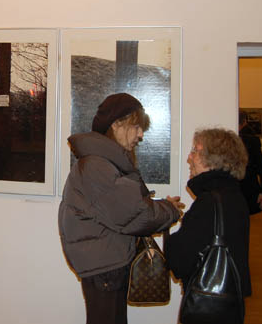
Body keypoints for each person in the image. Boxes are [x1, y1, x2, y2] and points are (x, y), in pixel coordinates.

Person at [58, 93, 183, 324]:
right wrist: (169, 210)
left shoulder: (105, 162)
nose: (140, 135)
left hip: (107, 262)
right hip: (105, 267)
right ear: (115, 124)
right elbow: (135, 215)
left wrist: (160, 206)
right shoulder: (97, 166)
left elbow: (128, 206)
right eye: (136, 127)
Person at [165, 128, 252, 313]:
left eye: (195, 151)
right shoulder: (233, 195)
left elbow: (179, 261)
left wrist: (165, 220)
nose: (189, 157)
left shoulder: (209, 202)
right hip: (229, 302)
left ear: (215, 160)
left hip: (208, 305)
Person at [238, 110, 262, 214]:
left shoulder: (250, 140)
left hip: (242, 188)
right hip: (247, 187)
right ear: (244, 121)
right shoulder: (252, 139)